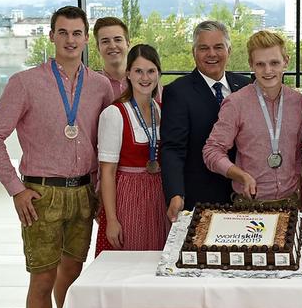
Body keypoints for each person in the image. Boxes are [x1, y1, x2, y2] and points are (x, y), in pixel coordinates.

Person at [0, 6, 114, 308]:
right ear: (51, 36)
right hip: (41, 194)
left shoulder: (101, 86)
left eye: (77, 33)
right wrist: (16, 189)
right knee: (42, 278)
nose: (70, 40)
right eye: (63, 32)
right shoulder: (25, 82)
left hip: (83, 194)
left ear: (85, 38)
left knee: (71, 277)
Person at [161, 21, 250, 222]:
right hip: (200, 201)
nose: (212, 54)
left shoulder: (247, 86)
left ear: (229, 50)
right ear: (194, 52)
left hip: (246, 198)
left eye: (218, 47)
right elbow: (172, 149)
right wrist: (175, 193)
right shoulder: (178, 92)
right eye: (204, 48)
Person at [203, 30, 302, 206]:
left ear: (286, 61)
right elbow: (211, 151)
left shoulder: (297, 102)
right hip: (249, 205)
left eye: (274, 63)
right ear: (251, 65)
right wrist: (241, 175)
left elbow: (296, 153)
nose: (268, 71)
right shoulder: (236, 103)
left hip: (291, 203)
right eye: (260, 64)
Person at [95, 44, 169, 256]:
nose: (145, 77)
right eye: (138, 71)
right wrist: (111, 219)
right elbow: (107, 172)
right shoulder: (114, 113)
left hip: (158, 197)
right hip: (128, 197)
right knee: (129, 263)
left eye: (151, 71)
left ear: (158, 74)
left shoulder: (162, 110)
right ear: (128, 74)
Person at [93, 16, 130, 99]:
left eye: (118, 40)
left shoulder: (144, 81)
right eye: (105, 41)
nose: (112, 46)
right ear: (98, 47)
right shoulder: (91, 85)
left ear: (128, 43)